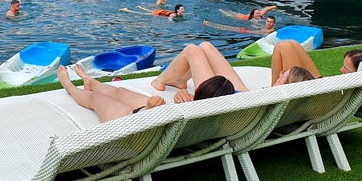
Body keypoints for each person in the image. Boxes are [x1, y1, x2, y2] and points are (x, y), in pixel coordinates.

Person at [58, 62, 234, 122]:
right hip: (156, 115)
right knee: (120, 92)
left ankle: (69, 87)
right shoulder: (217, 118)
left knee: (96, 99)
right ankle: (91, 81)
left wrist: (148, 109)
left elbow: (146, 124)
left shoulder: (190, 117)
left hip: (135, 123)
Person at [151, 42, 249, 102]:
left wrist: (185, 99)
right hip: (241, 98)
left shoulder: (196, 109)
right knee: (206, 46)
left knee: (192, 50)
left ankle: (159, 80)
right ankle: (180, 80)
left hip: (212, 100)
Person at [269, 40, 362, 86]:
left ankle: (272, 92)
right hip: (319, 87)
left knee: (283, 46)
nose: (341, 70)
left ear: (358, 74)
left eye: (346, 69)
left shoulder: (350, 90)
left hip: (305, 97)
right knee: (292, 43)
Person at [119, 4, 185, 20]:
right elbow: (170, 17)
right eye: (182, 9)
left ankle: (141, 7)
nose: (183, 10)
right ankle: (127, 10)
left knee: (150, 11)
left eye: (183, 9)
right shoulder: (174, 15)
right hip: (157, 13)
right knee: (142, 13)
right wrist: (170, 21)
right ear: (177, 10)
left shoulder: (178, 13)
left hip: (159, 11)